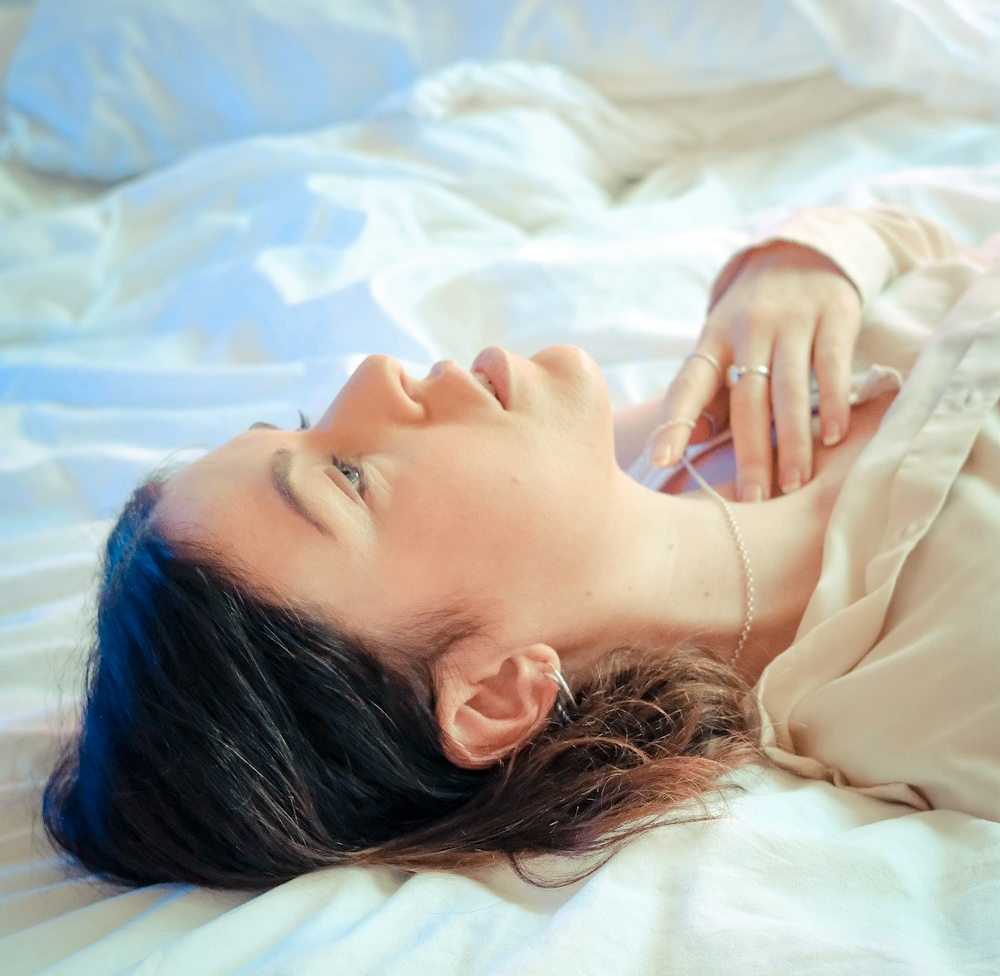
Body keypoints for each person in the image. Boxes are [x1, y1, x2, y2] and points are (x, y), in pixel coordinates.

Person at [40, 199, 1000, 892]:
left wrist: (812, 255)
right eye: (346, 475)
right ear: (498, 692)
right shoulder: (935, 679)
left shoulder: (684, 440)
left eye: (301, 421)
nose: (375, 375)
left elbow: (933, 228)